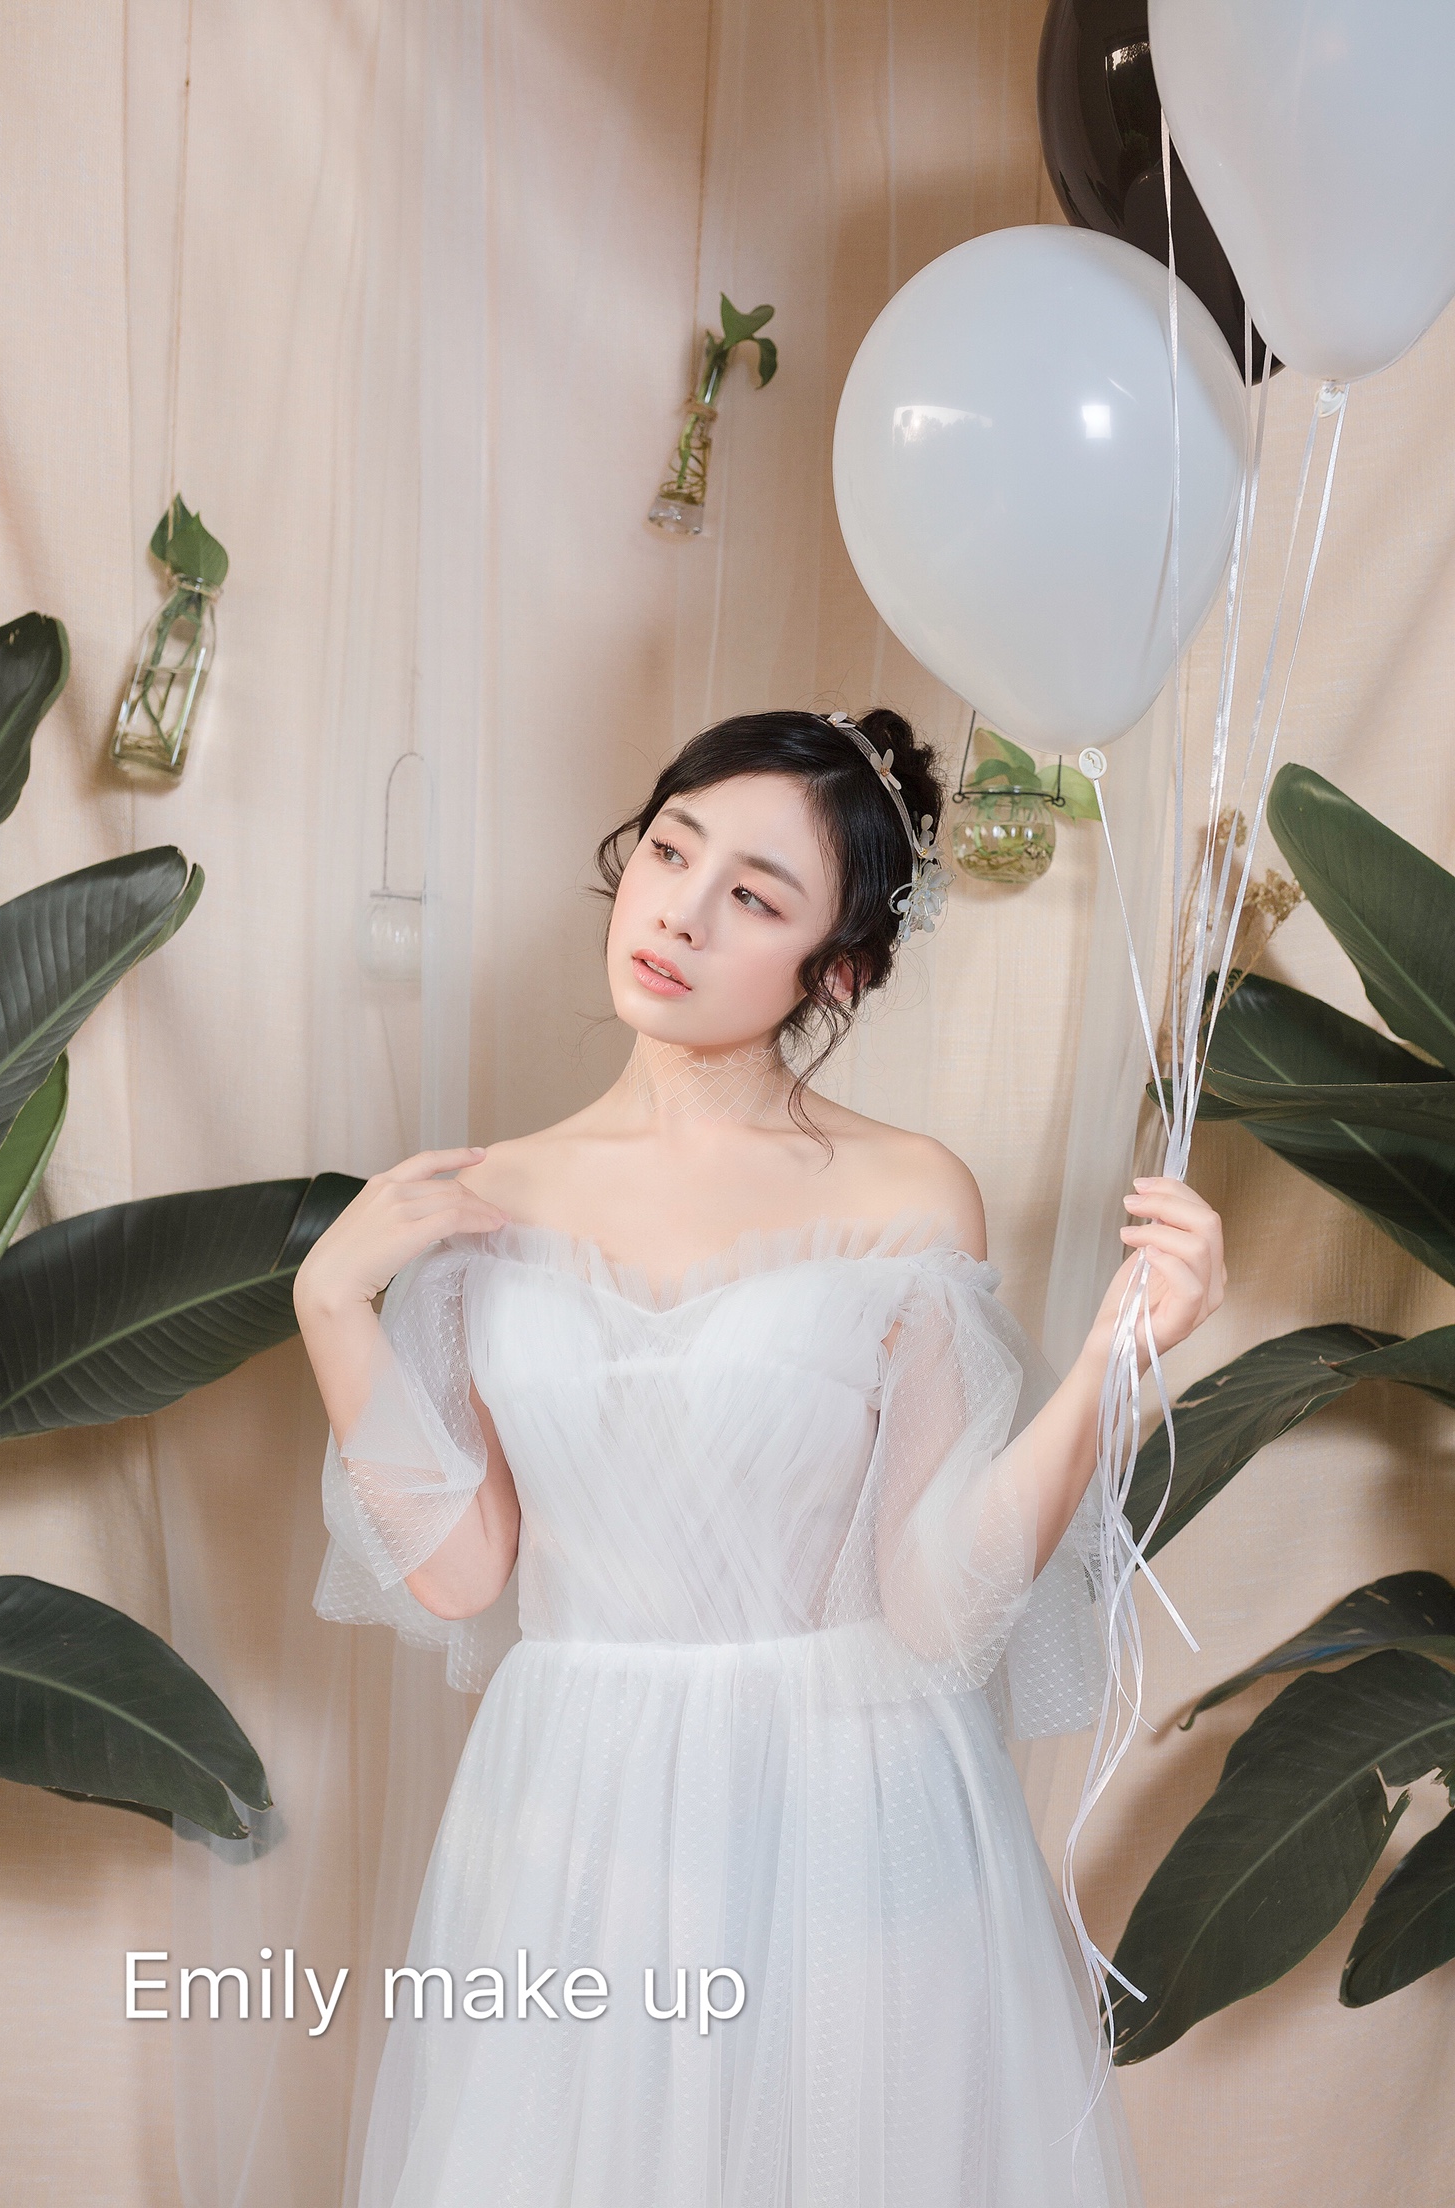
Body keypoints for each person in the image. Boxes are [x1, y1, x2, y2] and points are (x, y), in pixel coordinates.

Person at [295, 706, 1224, 2208]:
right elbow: (461, 1574)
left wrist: (1121, 1363)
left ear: (836, 969)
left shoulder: (906, 1193)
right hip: (580, 1801)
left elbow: (938, 1605)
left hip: (845, 1801)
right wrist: (332, 1304)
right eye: (673, 852)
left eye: (755, 896)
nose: (680, 911)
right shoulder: (486, 1197)